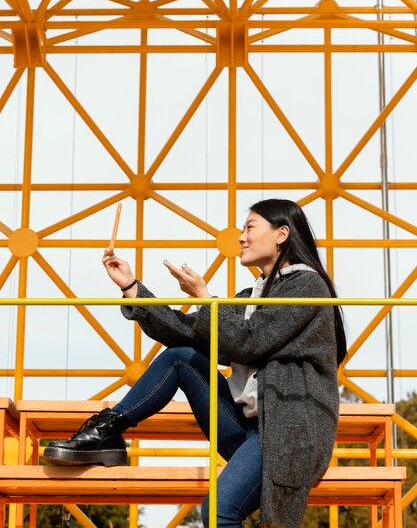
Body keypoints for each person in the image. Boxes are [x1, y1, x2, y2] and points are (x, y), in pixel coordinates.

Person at [44, 198, 347, 528]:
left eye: (250, 227)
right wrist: (132, 288)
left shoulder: (307, 285)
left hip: (286, 433)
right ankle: (108, 429)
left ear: (281, 234)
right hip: (248, 426)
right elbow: (188, 333)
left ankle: (108, 431)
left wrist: (205, 298)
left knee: (219, 512)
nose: (241, 237)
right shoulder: (251, 297)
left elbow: (250, 342)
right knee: (182, 358)